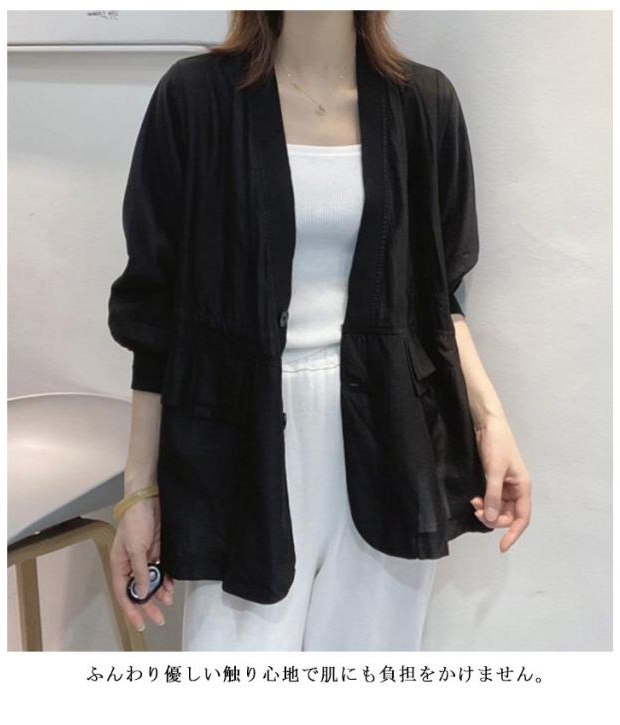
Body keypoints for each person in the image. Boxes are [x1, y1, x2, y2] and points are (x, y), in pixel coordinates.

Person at [108, 10, 532, 651]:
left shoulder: (424, 103)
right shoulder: (194, 98)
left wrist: (491, 421)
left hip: (391, 437)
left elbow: (437, 298)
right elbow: (153, 314)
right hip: (239, 441)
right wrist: (138, 489)